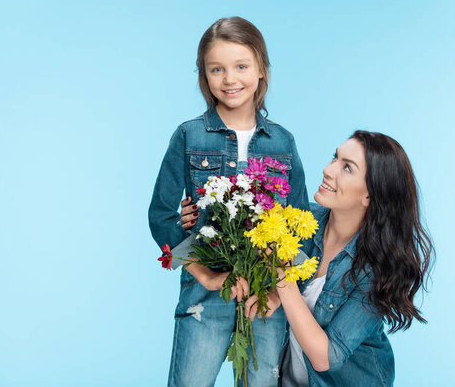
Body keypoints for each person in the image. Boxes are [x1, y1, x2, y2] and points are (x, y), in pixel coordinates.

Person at [181, 130, 434, 386]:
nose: (327, 169)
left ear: (370, 195)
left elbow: (326, 357)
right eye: (335, 158)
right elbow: (193, 244)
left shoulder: (376, 270)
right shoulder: (301, 220)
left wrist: (283, 278)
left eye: (347, 168)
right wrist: (195, 220)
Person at [148, 16, 309, 387]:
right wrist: (205, 274)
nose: (230, 79)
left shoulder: (283, 143)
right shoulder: (188, 135)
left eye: (241, 66)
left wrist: (277, 294)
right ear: (204, 76)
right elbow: (161, 214)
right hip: (206, 297)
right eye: (216, 69)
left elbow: (301, 224)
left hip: (264, 298)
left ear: (262, 70)